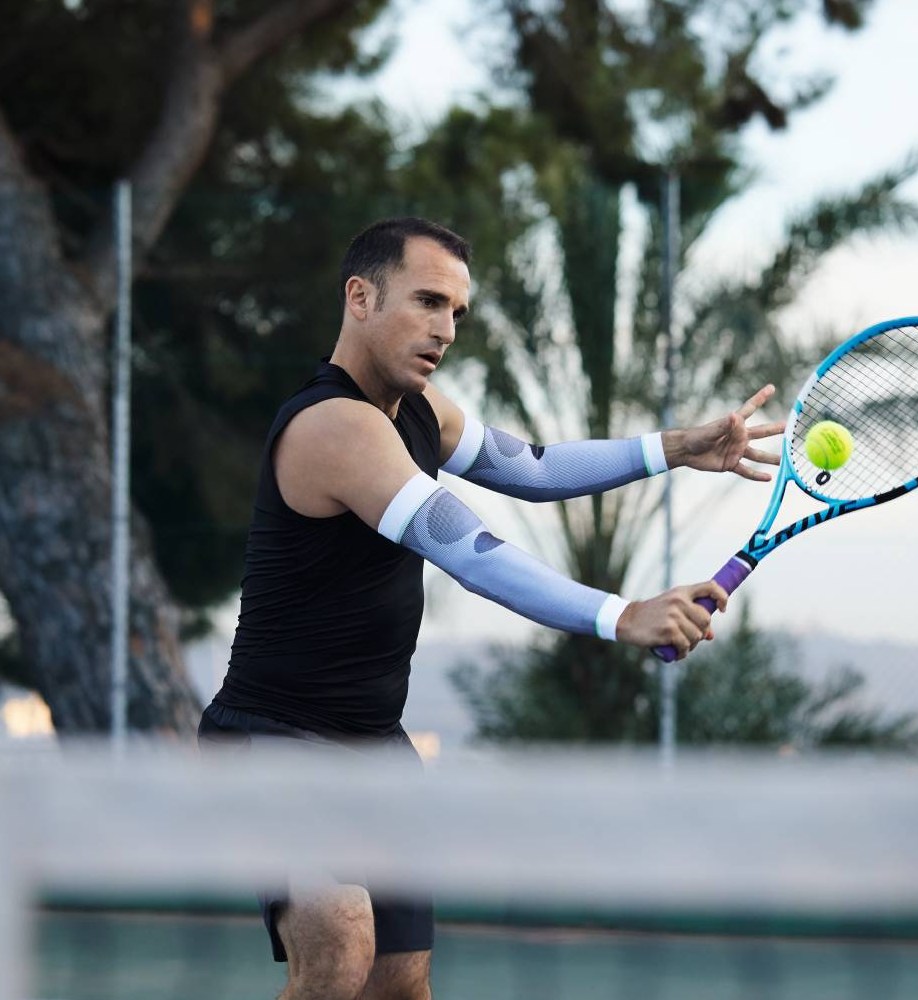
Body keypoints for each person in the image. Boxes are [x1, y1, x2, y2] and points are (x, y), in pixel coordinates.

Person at [198, 216, 784, 1000]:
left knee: (401, 984)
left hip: (372, 744)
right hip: (271, 740)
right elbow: (469, 551)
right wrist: (621, 614)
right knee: (339, 947)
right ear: (360, 297)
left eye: (458, 313)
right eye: (428, 302)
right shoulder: (333, 426)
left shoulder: (422, 413)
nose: (446, 329)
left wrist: (673, 448)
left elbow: (533, 468)